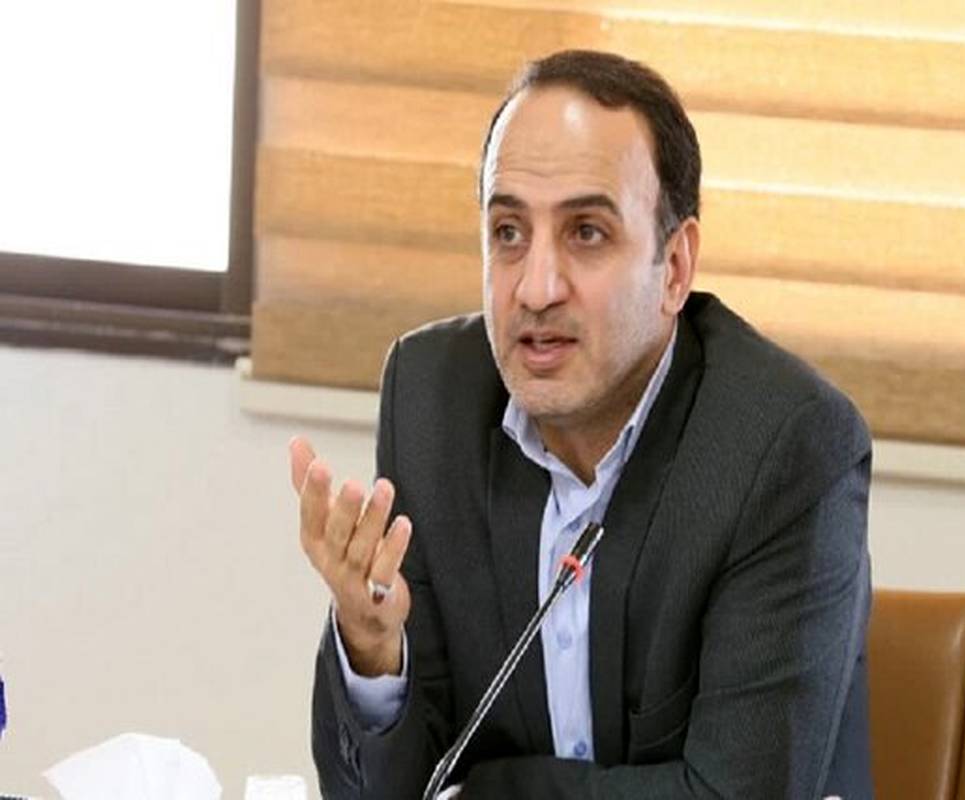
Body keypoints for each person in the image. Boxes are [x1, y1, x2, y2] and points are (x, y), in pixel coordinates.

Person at [289, 49, 874, 799]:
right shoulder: (433, 401)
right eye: (508, 232)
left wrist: (491, 793)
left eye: (586, 233)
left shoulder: (783, 442)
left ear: (674, 267)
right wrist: (373, 651)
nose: (536, 288)